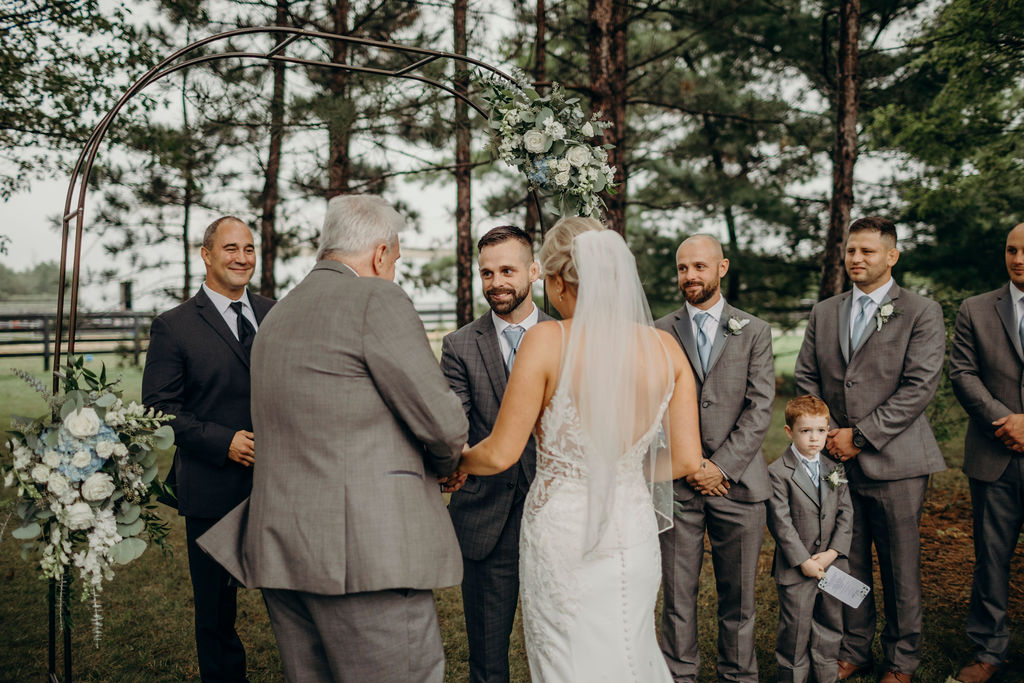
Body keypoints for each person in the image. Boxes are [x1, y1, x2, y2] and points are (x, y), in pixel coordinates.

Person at [198, 194, 468, 682]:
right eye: (396, 261)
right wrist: (448, 464)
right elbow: (442, 422)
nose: (394, 272)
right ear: (381, 253)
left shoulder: (276, 314)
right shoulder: (376, 298)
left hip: (283, 545)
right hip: (364, 551)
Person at [456, 216, 703, 682]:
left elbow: (500, 453)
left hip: (564, 532)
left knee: (569, 659)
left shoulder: (547, 340)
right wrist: (620, 471)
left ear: (554, 279)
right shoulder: (666, 348)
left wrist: (454, 460)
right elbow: (688, 459)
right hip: (632, 527)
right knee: (628, 650)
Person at [794, 216, 946, 683]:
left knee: (900, 567)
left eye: (868, 252)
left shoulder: (921, 311)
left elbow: (919, 387)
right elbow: (806, 379)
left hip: (896, 462)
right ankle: (855, 648)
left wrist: (858, 436)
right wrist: (829, 433)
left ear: (892, 256)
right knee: (845, 560)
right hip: (836, 463)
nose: (856, 259)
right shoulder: (825, 312)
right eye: (851, 251)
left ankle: (902, 660)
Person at [142, 216, 275, 683]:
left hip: (280, 485)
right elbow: (157, 410)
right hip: (212, 486)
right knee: (216, 614)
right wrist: (224, 442)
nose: (242, 258)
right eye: (231, 248)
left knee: (294, 598)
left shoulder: (274, 312)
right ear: (206, 254)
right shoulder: (173, 326)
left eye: (249, 249)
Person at [654, 234, 775, 682]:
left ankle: (738, 675)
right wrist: (692, 465)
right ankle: (679, 674)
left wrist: (719, 466)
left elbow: (761, 407)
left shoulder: (755, 330)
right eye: (683, 268)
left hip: (738, 485)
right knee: (677, 596)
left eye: (699, 267)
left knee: (739, 597)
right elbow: (652, 404)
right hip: (677, 485)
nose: (690, 276)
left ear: (722, 268)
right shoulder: (657, 330)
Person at [440, 225, 551, 683]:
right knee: (487, 657)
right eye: (487, 273)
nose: (496, 282)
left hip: (557, 510)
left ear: (534, 271)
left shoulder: (568, 334)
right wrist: (451, 462)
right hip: (487, 514)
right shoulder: (459, 345)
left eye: (507, 270)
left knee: (566, 641)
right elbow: (455, 429)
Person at [948, 222, 1024, 683]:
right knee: (991, 558)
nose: (1019, 259)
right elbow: (962, 374)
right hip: (994, 457)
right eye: (1012, 250)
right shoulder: (976, 309)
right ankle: (988, 652)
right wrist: (1009, 422)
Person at [767, 395, 853, 683]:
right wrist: (803, 560)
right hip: (797, 568)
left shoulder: (836, 470)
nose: (814, 438)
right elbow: (781, 521)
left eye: (820, 430)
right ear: (789, 432)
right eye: (806, 431)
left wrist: (832, 553)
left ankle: (825, 676)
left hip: (832, 565)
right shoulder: (778, 473)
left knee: (830, 627)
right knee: (795, 631)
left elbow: (845, 513)